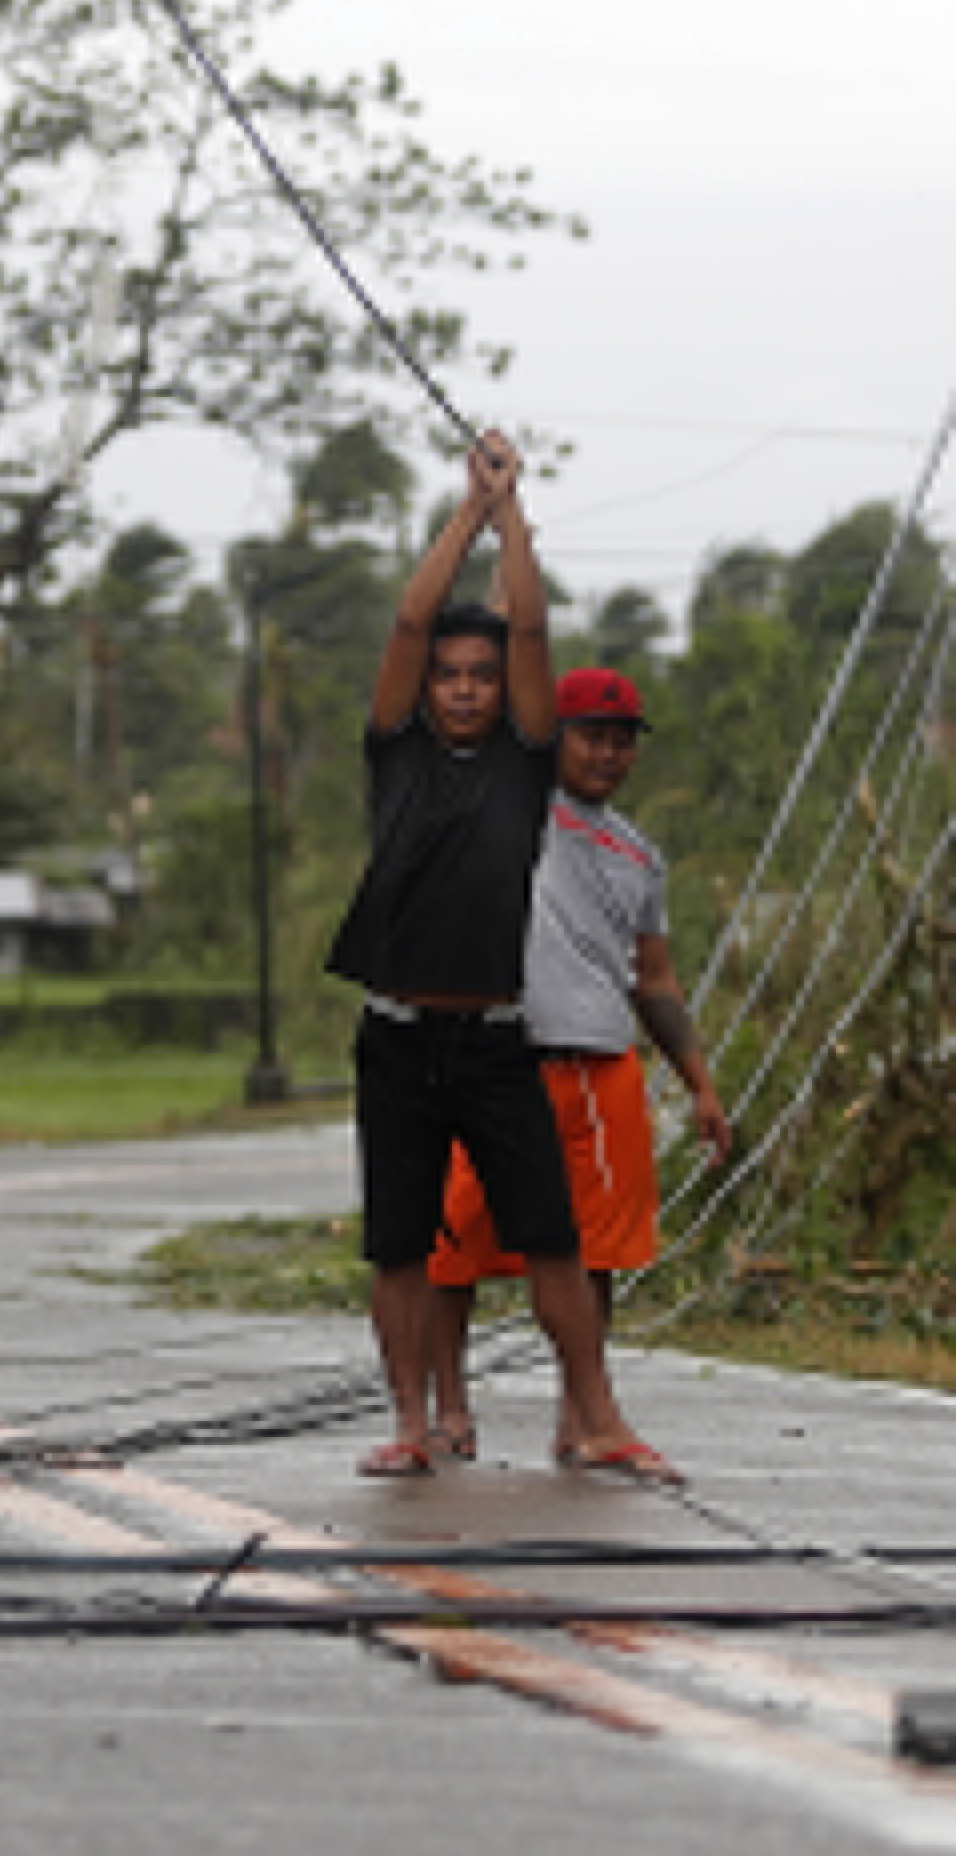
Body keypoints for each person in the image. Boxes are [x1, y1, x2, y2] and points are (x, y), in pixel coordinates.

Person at [322, 434, 670, 1480]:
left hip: (497, 1039)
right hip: (395, 1037)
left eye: (481, 675)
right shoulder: (397, 750)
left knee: (554, 1239)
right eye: (451, 676)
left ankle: (598, 1416)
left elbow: (530, 621)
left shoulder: (526, 765)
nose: (468, 688)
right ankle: (413, 1424)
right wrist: (464, 513)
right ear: (426, 687)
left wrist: (513, 511)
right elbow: (409, 617)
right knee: (400, 1243)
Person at [424, 665, 733, 1462]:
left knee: (599, 1250)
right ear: (552, 738)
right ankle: (448, 1406)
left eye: (622, 739)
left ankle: (582, 1417)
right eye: (591, 734)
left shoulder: (638, 853)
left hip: (599, 1064)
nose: (607, 753)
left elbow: (654, 980)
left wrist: (700, 1083)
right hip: (497, 1057)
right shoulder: (516, 805)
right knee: (453, 1240)